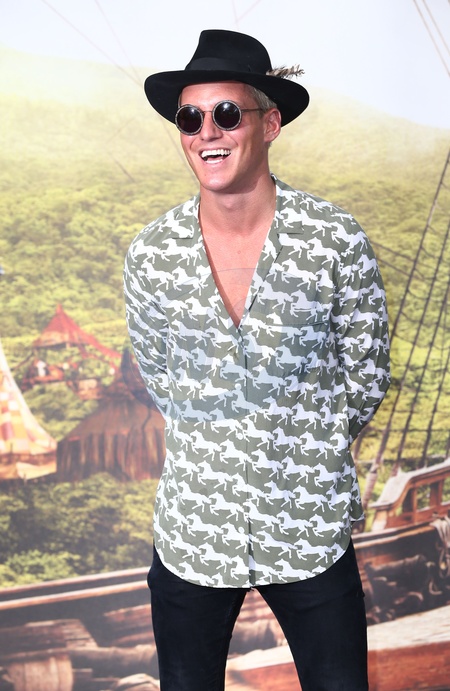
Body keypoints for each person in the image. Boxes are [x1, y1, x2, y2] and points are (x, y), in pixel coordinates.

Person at [123, 29, 390, 691]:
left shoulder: (334, 240)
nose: (207, 132)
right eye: (190, 118)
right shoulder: (151, 254)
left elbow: (366, 372)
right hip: (193, 533)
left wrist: (304, 446)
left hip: (309, 529)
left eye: (226, 113)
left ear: (270, 123)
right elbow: (159, 377)